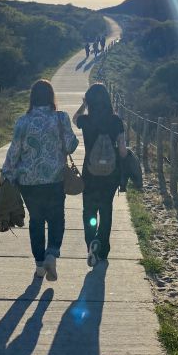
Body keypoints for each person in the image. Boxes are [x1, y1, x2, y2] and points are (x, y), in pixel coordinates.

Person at [1, 79, 78, 280]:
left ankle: (39, 264)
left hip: (29, 182)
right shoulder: (61, 118)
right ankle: (52, 253)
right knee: (56, 218)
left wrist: (6, 175)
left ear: (32, 98)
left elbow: (14, 152)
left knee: (36, 220)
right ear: (51, 96)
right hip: (55, 179)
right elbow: (70, 145)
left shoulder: (23, 122)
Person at [73, 83, 126, 267]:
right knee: (106, 210)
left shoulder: (87, 120)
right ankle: (102, 248)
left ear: (90, 101)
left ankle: (91, 244)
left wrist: (84, 105)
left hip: (90, 173)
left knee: (89, 211)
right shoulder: (116, 121)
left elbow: (75, 118)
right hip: (110, 175)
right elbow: (123, 152)